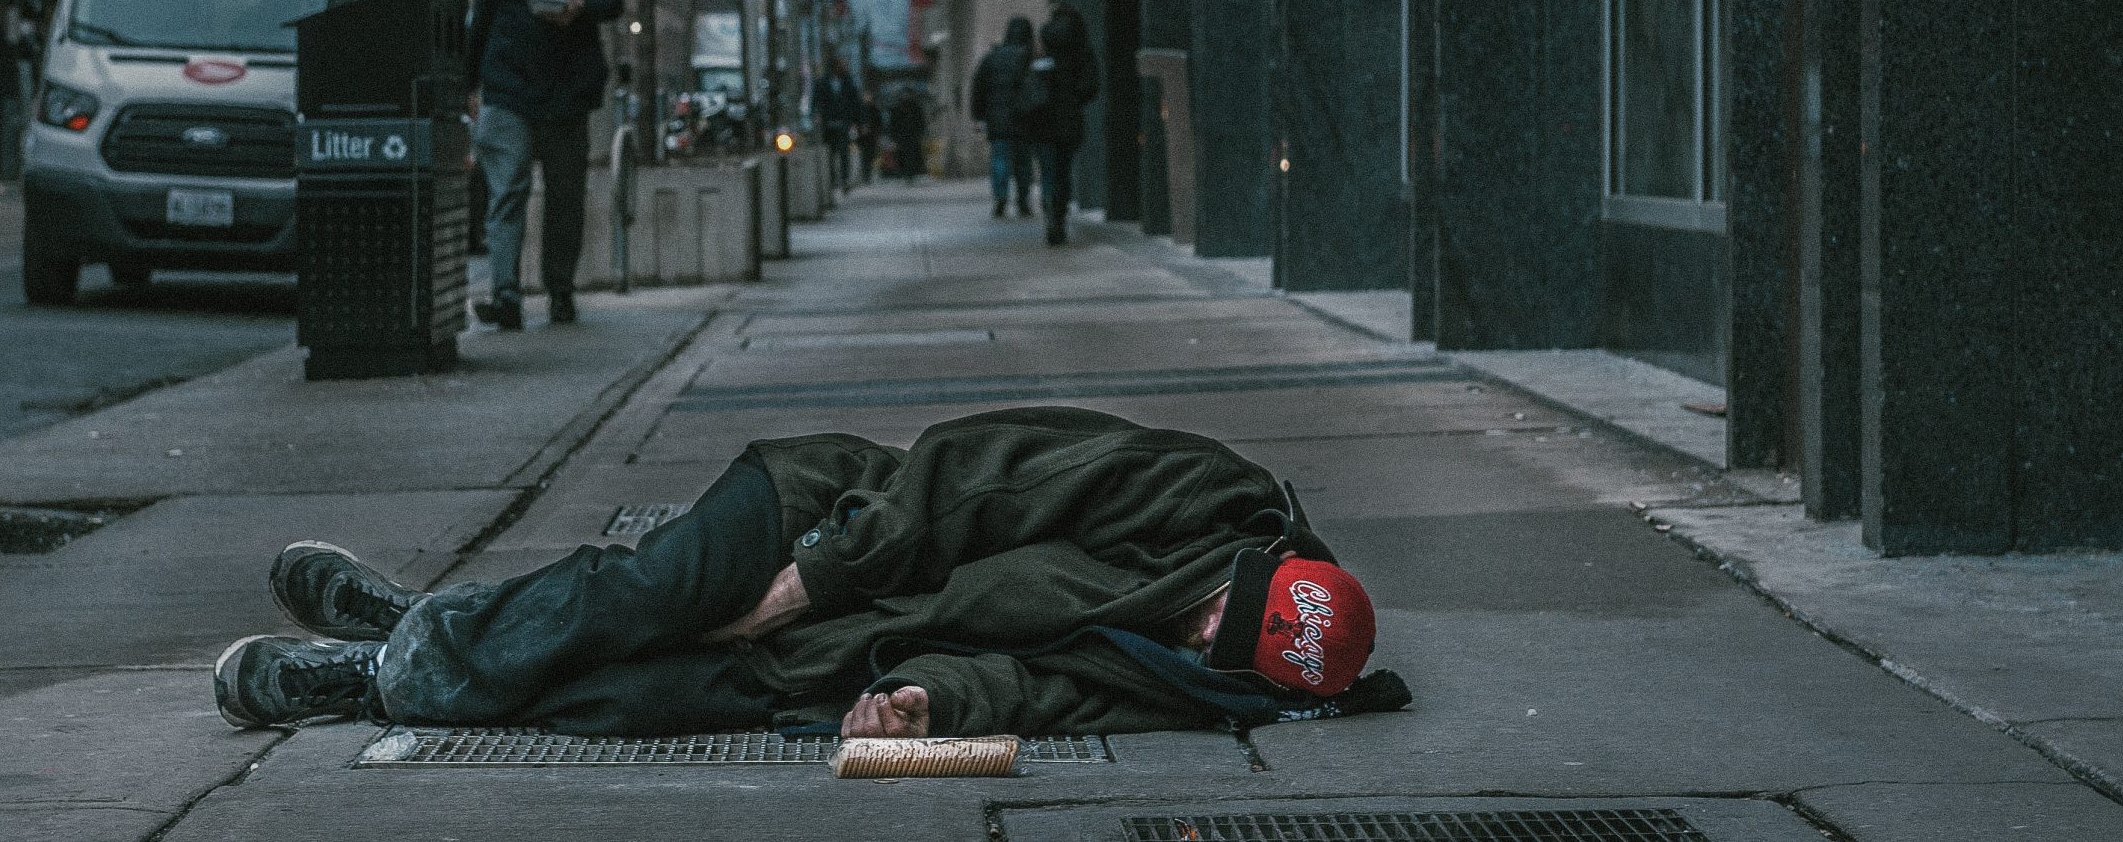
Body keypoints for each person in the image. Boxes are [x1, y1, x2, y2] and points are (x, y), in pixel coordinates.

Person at [212, 407, 1410, 736]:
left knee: (630, 698)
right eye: (1217, 613)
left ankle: (417, 625)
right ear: (1255, 563)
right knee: (646, 599)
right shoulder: (1198, 492)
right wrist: (814, 574)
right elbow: (975, 476)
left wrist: (934, 705)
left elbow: (1059, 694)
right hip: (828, 517)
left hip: (846, 649)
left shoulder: (1207, 683)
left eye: (1223, 652)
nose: (1197, 639)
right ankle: (376, 674)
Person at [463, 0, 624, 330]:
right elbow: (484, 14)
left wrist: (580, 5)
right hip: (508, 83)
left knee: (564, 197)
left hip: (565, 87)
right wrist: (468, 83)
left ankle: (560, 289)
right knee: (506, 189)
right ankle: (506, 293)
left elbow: (612, 1)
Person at [1020, 3, 1101, 245]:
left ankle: (1049, 210)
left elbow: (1024, 81)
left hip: (1041, 118)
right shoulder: (1082, 49)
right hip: (1068, 117)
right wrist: (1075, 98)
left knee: (1047, 169)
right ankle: (1059, 214)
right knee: (1063, 171)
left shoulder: (1041, 46)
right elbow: (1091, 85)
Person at [969, 16, 1036, 219]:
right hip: (1024, 118)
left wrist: (979, 116)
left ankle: (1000, 196)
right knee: (1024, 161)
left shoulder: (992, 58)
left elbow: (978, 89)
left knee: (1000, 159)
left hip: (997, 119)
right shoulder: (1029, 58)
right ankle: (1023, 200)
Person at [813, 57, 862, 193]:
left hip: (844, 121)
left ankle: (844, 179)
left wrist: (858, 121)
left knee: (844, 151)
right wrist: (817, 115)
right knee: (830, 152)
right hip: (828, 122)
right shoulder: (822, 82)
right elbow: (816, 100)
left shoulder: (848, 82)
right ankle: (831, 179)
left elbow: (855, 102)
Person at [886, 84, 928, 181]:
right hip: (902, 136)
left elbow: (920, 122)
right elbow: (893, 124)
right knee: (903, 155)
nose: (906, 96)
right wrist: (893, 137)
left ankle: (911, 173)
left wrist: (920, 133)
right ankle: (906, 173)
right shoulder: (897, 108)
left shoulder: (916, 108)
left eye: (908, 94)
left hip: (912, 135)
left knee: (912, 155)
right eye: (905, 94)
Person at [854, 91, 882, 184]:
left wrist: (873, 130)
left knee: (870, 155)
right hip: (862, 136)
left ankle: (868, 174)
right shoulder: (859, 109)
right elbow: (856, 121)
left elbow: (879, 123)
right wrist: (861, 128)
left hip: (872, 136)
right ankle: (865, 174)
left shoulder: (875, 109)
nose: (867, 98)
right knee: (863, 155)